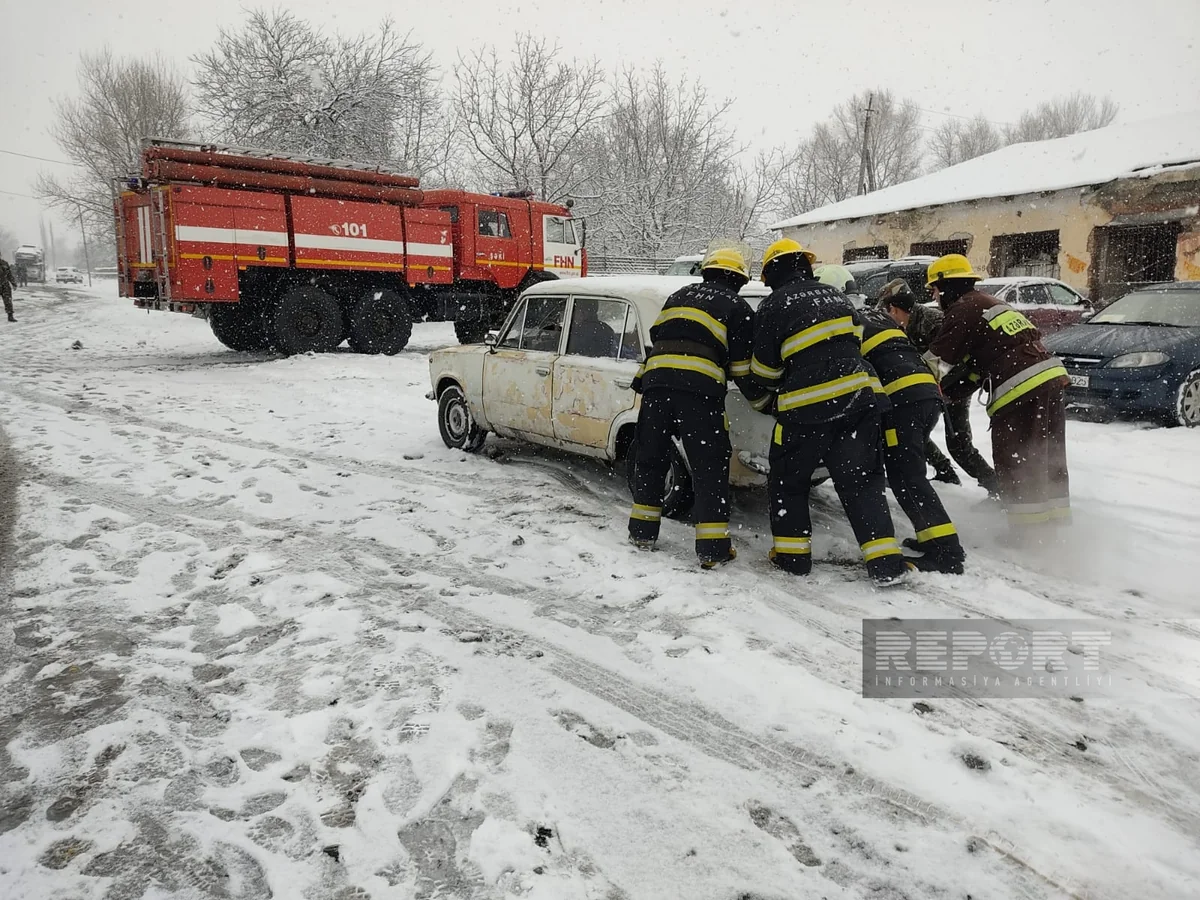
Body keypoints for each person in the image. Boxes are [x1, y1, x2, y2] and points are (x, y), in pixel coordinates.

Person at [750, 238, 908, 587]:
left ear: (772, 273)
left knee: (789, 483)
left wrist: (778, 383)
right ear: (805, 265)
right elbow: (856, 345)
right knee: (863, 485)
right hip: (856, 405)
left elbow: (763, 372)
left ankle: (792, 558)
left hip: (805, 412)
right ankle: (886, 564)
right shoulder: (837, 297)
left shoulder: (775, 304)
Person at [628, 246, 770, 568]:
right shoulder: (737, 307)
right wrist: (763, 401)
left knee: (651, 459)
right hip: (699, 394)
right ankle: (712, 550)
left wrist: (643, 381)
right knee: (709, 468)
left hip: (657, 388)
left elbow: (659, 341)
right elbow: (741, 367)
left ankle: (642, 533)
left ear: (706, 272)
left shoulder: (678, 296)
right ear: (737, 279)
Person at [923, 255, 1071, 537]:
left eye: (934, 290)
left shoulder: (962, 310)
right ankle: (1055, 527)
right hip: (1049, 381)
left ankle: (1027, 535)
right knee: (1046, 456)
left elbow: (935, 362)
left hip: (1023, 389)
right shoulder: (990, 303)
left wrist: (912, 381)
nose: (934, 297)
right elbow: (980, 367)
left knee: (1016, 459)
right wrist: (951, 395)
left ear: (945, 287)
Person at [859, 304, 966, 574]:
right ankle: (932, 539)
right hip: (925, 395)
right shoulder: (875, 316)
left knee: (907, 477)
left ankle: (947, 552)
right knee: (906, 474)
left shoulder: (846, 322)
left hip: (902, 401)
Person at [879, 278, 999, 495]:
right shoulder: (899, 326)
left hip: (955, 386)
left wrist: (947, 388)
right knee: (914, 432)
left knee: (959, 443)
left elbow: (959, 359)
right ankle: (944, 471)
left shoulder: (933, 321)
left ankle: (995, 487)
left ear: (897, 307)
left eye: (889, 310)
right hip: (927, 386)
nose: (888, 315)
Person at [1, 257, 16, 323]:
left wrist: (13, 283)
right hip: (3, 284)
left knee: (8, 301)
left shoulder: (4, 263)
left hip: (4, 285)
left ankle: (10, 316)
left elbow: (9, 274)